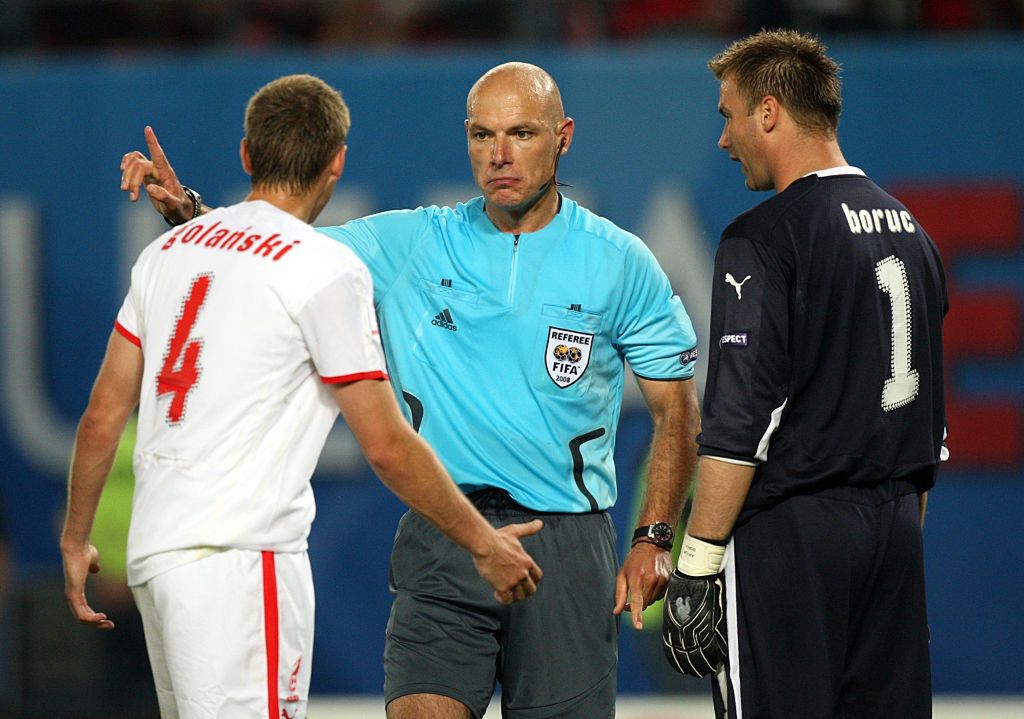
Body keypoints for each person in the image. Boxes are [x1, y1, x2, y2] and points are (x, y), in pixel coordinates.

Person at [121, 62, 701, 719]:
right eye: (482, 135)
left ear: (563, 136)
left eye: (521, 133)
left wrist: (654, 537)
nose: (500, 154)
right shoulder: (412, 243)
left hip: (567, 545)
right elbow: (282, 249)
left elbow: (676, 409)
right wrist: (190, 212)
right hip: (444, 533)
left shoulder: (619, 261)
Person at [62, 73, 544, 719]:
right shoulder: (324, 268)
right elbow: (386, 444)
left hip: (157, 559)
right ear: (336, 162)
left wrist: (75, 539)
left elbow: (101, 416)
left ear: (246, 154)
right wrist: (484, 543)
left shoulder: (167, 252)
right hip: (240, 560)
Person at [661, 29, 947, 719]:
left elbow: (739, 424)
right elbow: (927, 427)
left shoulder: (763, 236)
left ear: (768, 112)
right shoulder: (915, 234)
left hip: (792, 538)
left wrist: (696, 566)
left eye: (728, 115)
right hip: (895, 529)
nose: (724, 140)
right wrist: (890, 536)